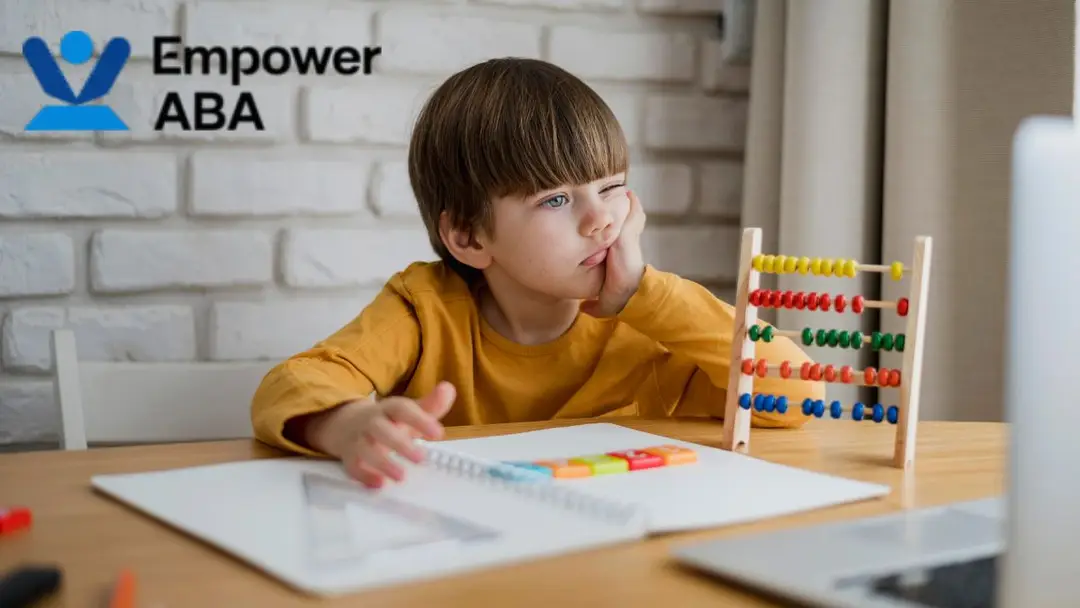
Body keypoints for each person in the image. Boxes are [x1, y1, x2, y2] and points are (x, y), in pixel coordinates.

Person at [250, 58, 825, 488]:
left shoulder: (650, 322)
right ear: (469, 237)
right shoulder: (423, 308)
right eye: (555, 200)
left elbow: (798, 393)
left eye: (611, 188)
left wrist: (644, 294)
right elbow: (294, 383)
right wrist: (346, 425)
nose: (600, 220)